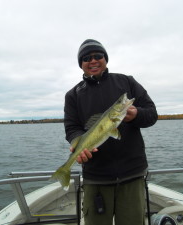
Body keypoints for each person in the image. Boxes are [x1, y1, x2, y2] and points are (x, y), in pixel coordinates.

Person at [64, 39, 158, 225]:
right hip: (95, 178)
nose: (93, 61)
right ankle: (63, 171)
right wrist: (77, 143)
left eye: (98, 56)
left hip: (132, 174)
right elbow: (72, 128)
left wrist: (137, 114)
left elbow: (152, 114)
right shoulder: (73, 95)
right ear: (81, 64)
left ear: (105, 59)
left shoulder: (127, 82)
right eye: (86, 58)